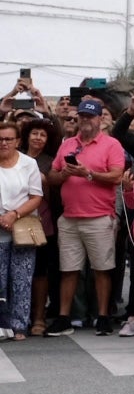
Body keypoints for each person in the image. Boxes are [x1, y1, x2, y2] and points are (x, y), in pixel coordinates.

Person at [45, 98, 127, 335]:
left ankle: (102, 316)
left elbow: (116, 176)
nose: (85, 120)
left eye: (90, 116)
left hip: (99, 216)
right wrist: (64, 174)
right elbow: (52, 175)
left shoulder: (111, 145)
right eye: (82, 116)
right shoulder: (68, 144)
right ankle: (64, 317)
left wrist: (88, 173)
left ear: (100, 119)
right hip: (70, 217)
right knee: (69, 269)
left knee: (102, 269)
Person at [0, 122, 45, 341]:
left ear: (18, 141)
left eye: (8, 139)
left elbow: (36, 197)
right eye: (0, 139)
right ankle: (1, 323)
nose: (4, 143)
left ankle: (19, 325)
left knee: (21, 279)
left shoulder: (29, 164)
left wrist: (14, 214)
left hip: (22, 226)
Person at [20, 118, 59, 336]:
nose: (38, 138)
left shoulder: (49, 161)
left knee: (40, 272)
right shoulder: (12, 156)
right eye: (34, 133)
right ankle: (17, 317)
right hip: (12, 220)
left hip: (41, 221)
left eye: (42, 135)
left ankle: (38, 317)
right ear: (26, 136)